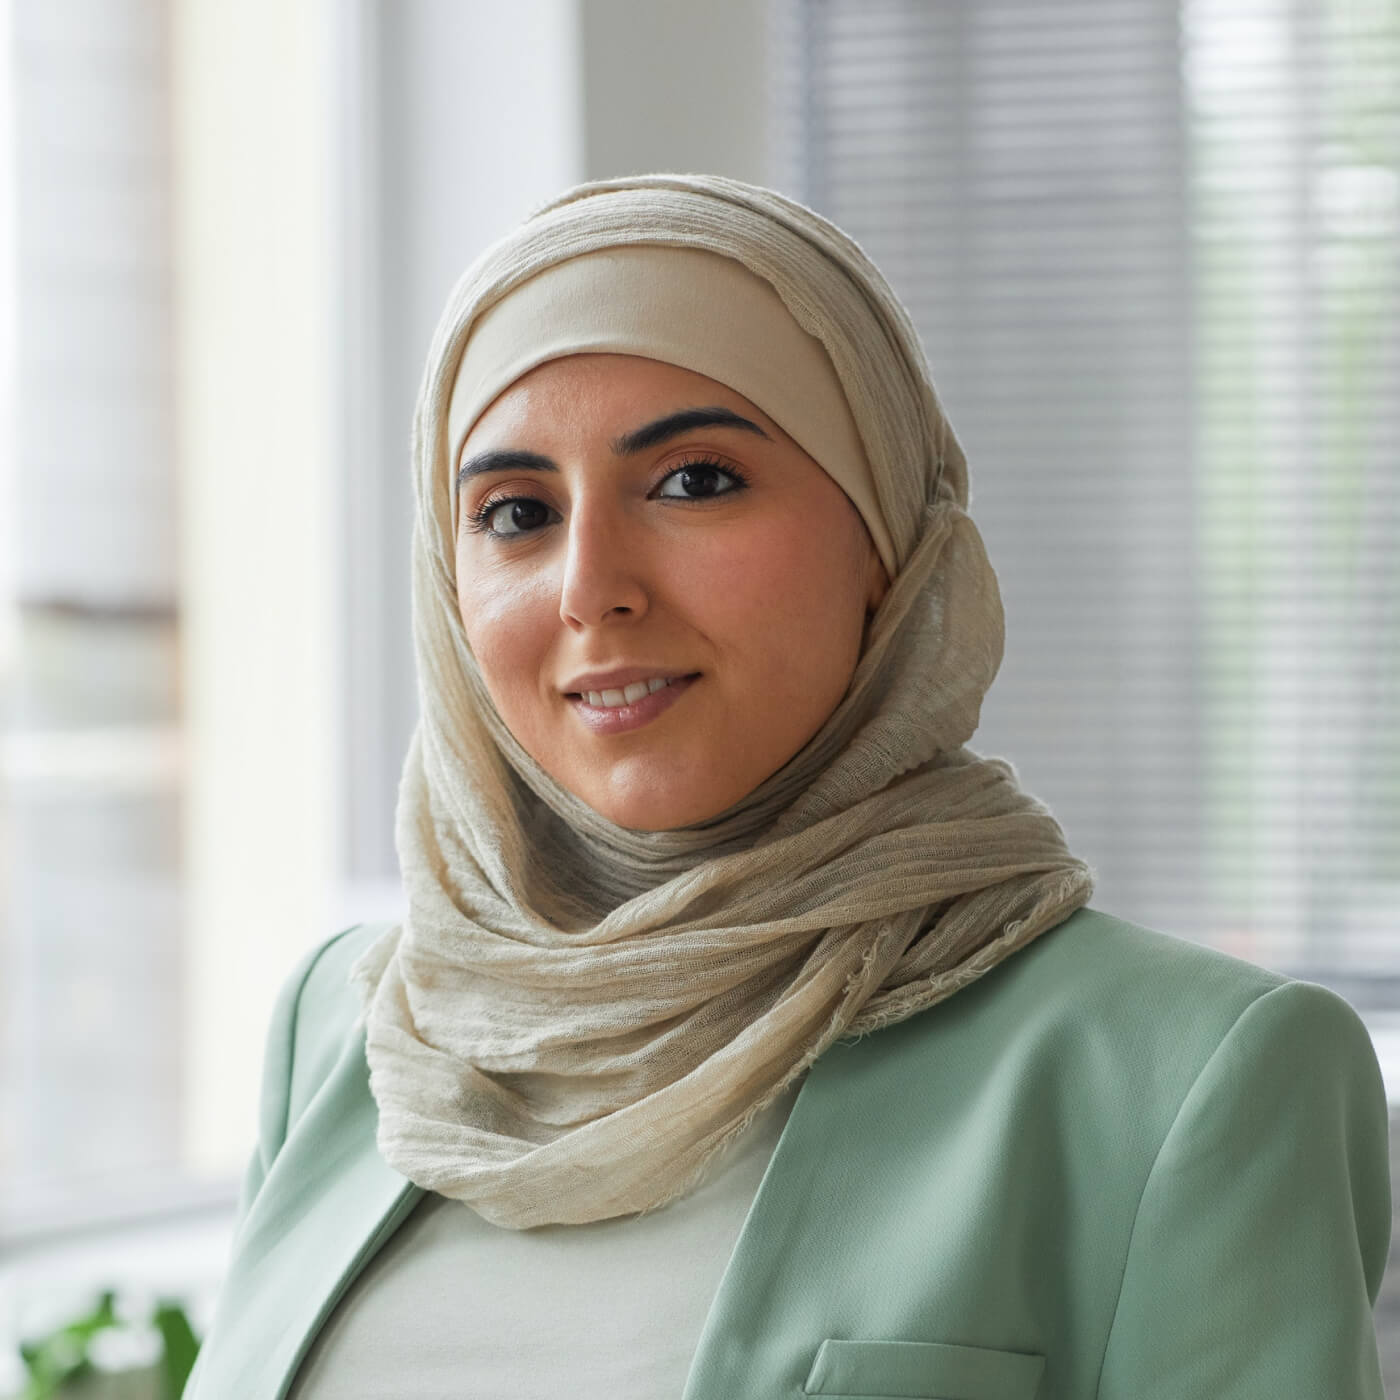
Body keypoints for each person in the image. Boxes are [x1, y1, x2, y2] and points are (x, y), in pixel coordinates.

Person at [184, 173, 1393, 1399]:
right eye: (515, 511)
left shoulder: (1185, 1076)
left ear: (885, 536)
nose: (588, 588)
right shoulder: (354, 1027)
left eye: (693, 480)